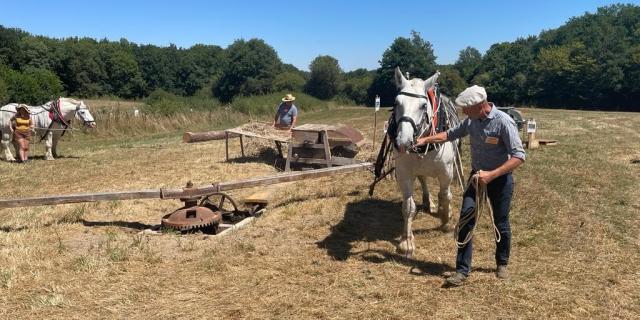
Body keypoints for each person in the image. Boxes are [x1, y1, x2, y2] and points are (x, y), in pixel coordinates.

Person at [416, 85, 525, 286]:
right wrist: (425, 139)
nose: (463, 112)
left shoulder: (503, 122)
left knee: (500, 223)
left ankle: (502, 264)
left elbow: (519, 156)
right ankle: (462, 271)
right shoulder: (471, 121)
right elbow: (449, 134)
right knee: (466, 220)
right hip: (476, 179)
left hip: (499, 180)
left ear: (479, 105)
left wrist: (492, 174)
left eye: (466, 108)